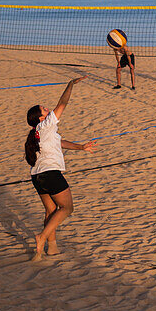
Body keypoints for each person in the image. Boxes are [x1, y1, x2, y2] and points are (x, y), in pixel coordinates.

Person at [24, 76, 97, 261]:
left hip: (37, 176)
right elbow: (63, 102)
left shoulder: (39, 132)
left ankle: (50, 249)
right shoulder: (47, 123)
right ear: (41, 117)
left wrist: (81, 147)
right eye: (44, 109)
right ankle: (41, 237)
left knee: (51, 211)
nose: (48, 109)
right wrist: (70, 84)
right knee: (67, 208)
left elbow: (60, 142)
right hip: (50, 174)